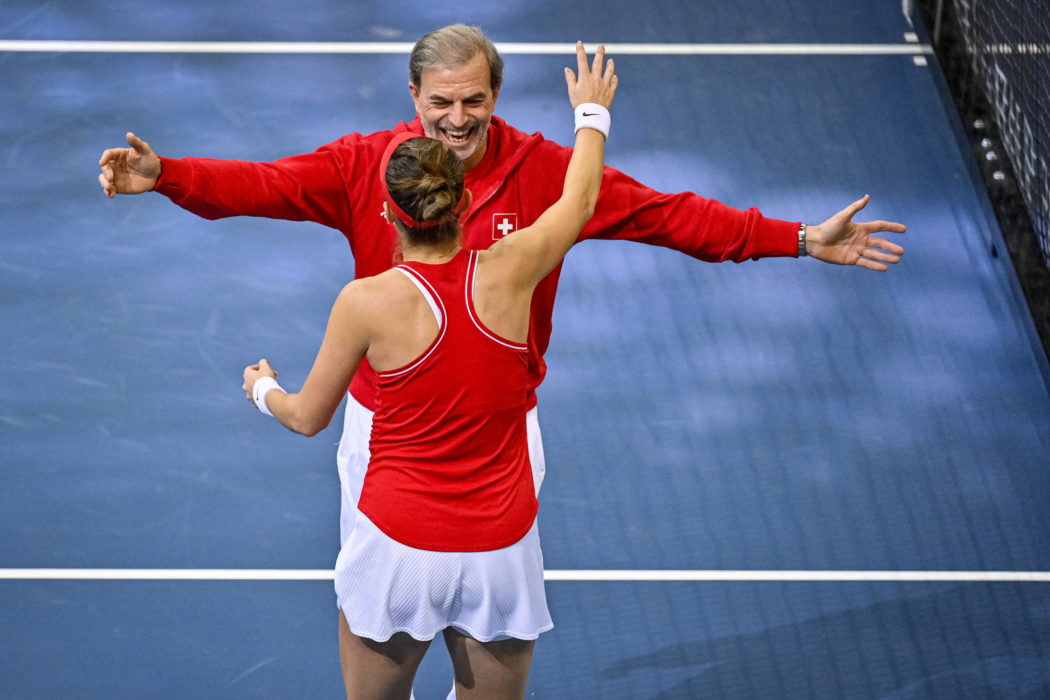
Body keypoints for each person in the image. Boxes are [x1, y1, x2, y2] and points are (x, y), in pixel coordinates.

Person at [98, 24, 905, 552]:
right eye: (441, 102)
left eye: (474, 101)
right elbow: (264, 184)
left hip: (504, 439)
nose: (457, 118)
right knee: (389, 630)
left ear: (496, 96)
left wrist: (796, 240)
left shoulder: (545, 171)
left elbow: (672, 217)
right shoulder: (361, 165)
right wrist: (167, 175)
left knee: (485, 639)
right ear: (413, 97)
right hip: (385, 436)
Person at [240, 42, 616, 700]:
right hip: (499, 548)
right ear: (462, 202)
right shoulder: (514, 268)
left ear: (390, 214)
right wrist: (592, 114)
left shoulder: (367, 303)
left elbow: (306, 418)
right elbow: (581, 199)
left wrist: (262, 388)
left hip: (398, 548)